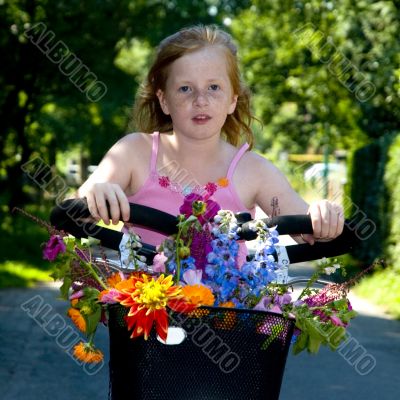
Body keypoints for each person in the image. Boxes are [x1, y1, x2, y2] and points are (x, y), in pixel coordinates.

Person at [77, 25, 344, 256]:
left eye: (214, 88)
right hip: (144, 310)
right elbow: (82, 202)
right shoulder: (133, 152)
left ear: (232, 99)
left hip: (225, 313)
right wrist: (96, 192)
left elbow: (309, 230)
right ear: (164, 100)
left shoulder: (254, 170)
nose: (200, 100)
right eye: (185, 89)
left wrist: (322, 216)